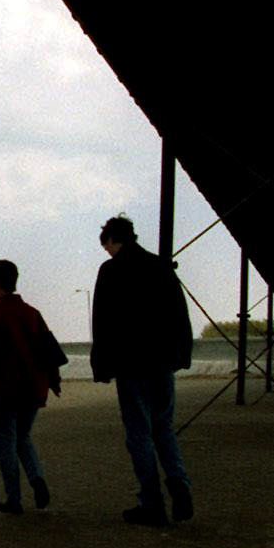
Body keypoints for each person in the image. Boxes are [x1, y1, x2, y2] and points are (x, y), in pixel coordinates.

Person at [90, 214, 195, 526]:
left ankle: (151, 502)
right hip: (162, 362)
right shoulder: (160, 266)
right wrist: (182, 354)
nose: (107, 252)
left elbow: (103, 321)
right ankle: (178, 482)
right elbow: (180, 313)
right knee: (164, 427)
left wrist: (101, 365)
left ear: (112, 239)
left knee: (138, 431)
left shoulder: (111, 270)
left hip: (131, 364)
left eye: (106, 246)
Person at [0, 259, 66, 514]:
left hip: (4, 391)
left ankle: (14, 498)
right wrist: (53, 381)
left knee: (6, 442)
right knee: (23, 437)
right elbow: (49, 351)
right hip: (33, 388)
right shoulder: (32, 313)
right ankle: (37, 477)